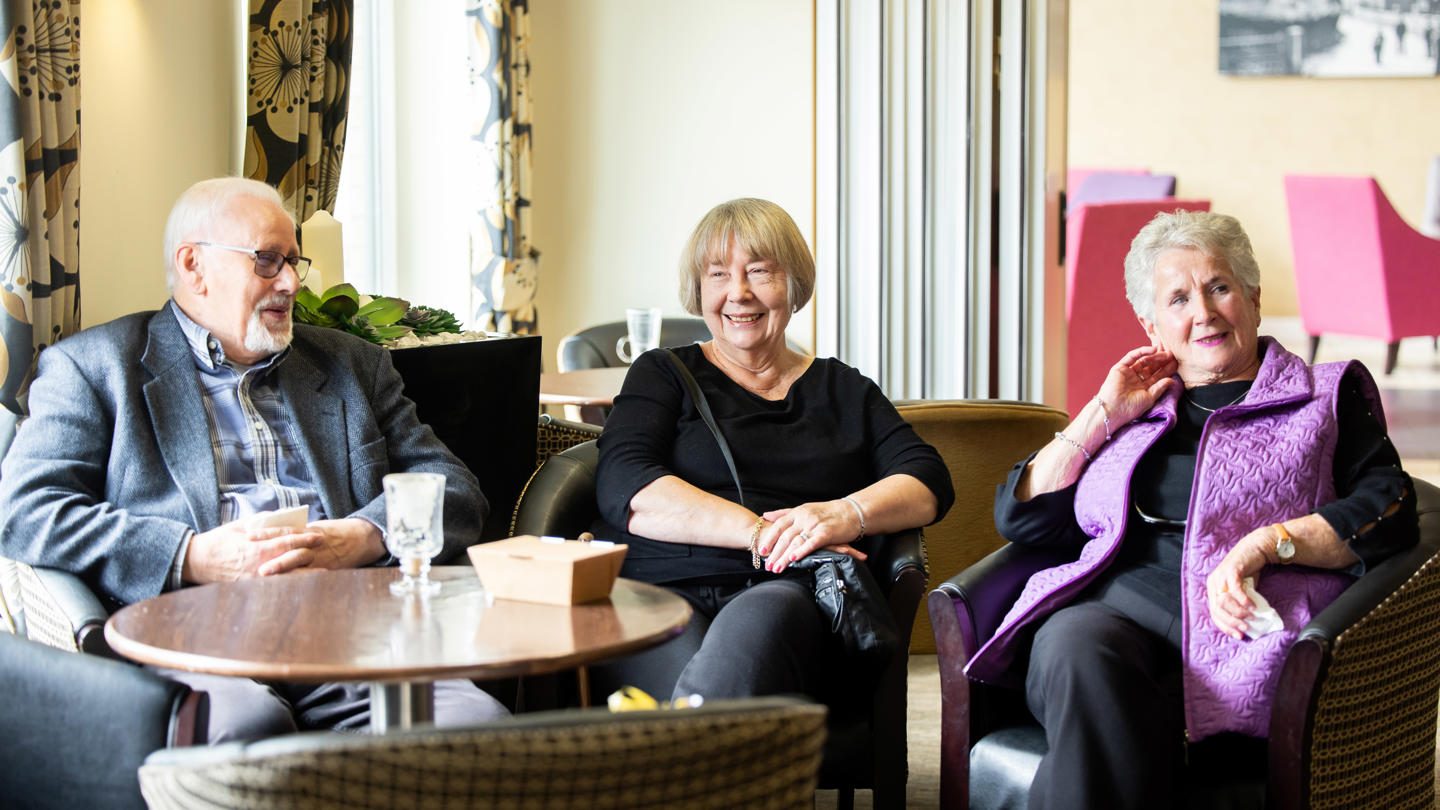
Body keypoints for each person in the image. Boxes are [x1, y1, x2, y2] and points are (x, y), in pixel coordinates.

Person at [0, 177, 508, 741]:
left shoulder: (351, 366)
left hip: (351, 633)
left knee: (478, 729)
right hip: (193, 636)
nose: (290, 282)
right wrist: (189, 556)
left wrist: (363, 536)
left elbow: (454, 488)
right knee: (243, 735)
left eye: (294, 261)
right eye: (267, 260)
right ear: (193, 265)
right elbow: (22, 511)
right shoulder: (95, 369)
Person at [964, 210, 1418, 809]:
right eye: (1177, 299)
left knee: (1114, 726)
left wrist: (1267, 543)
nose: (1202, 312)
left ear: (1254, 299)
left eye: (1219, 287)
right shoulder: (1136, 410)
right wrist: (1102, 412)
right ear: (1153, 327)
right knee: (1079, 652)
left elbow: (1392, 505)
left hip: (1244, 629)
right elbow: (1022, 517)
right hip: (1110, 618)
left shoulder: (1324, 396)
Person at [591, 198, 954, 704]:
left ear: (793, 284)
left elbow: (927, 479)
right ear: (699, 290)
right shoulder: (663, 373)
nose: (738, 293)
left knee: (759, 625)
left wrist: (843, 514)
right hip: (662, 584)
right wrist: (763, 534)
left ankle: (686, 758)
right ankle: (709, 759)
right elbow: (625, 484)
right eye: (718, 274)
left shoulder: (844, 389)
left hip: (781, 593)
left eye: (760, 272)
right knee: (684, 688)